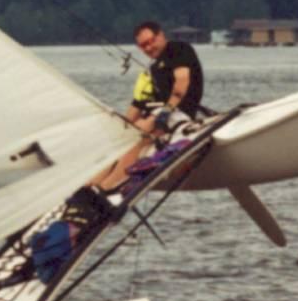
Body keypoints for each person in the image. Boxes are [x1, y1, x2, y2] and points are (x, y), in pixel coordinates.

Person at [80, 21, 206, 207]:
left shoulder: (179, 50)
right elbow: (139, 103)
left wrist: (167, 110)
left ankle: (108, 186)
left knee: (138, 132)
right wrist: (121, 125)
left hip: (179, 112)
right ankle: (90, 184)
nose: (148, 48)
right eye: (143, 45)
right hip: (159, 112)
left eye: (151, 41)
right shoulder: (154, 69)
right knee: (122, 135)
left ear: (161, 35)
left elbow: (182, 83)